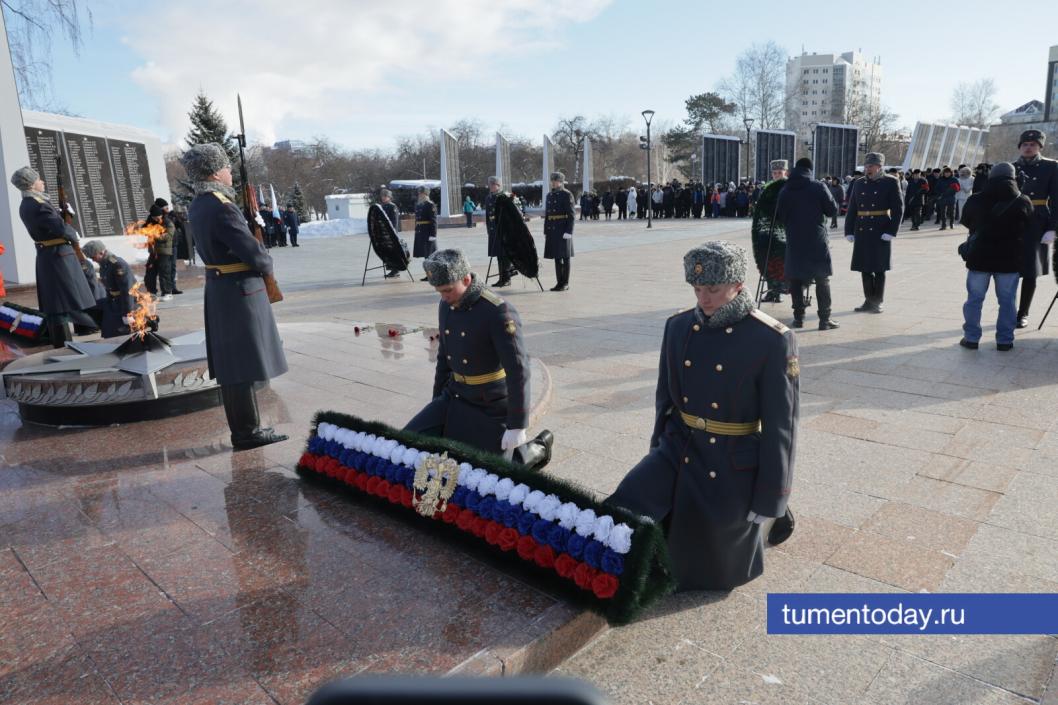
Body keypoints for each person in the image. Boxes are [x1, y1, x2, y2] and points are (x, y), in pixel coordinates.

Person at [607, 241, 798, 591]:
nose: (704, 299)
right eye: (697, 289)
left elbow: (781, 426)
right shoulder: (678, 326)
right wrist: (657, 450)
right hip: (679, 444)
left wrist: (772, 496)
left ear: (739, 285)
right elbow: (665, 397)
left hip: (730, 456)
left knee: (708, 567)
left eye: (713, 289)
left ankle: (775, 519)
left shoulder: (770, 339)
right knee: (621, 511)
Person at [181, 143, 288, 451]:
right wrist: (265, 258)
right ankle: (247, 432)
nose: (230, 172)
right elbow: (255, 256)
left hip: (221, 288)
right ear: (215, 172)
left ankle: (245, 428)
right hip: (240, 289)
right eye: (226, 167)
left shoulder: (200, 203)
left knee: (233, 366)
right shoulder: (222, 206)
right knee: (241, 365)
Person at [404, 249, 553, 466]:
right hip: (455, 395)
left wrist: (517, 425)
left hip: (490, 405)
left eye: (447, 290)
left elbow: (518, 370)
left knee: (488, 476)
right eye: (439, 291)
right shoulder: (446, 305)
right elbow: (445, 358)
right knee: (405, 444)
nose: (443, 296)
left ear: (465, 279)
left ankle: (536, 448)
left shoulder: (497, 312)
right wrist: (436, 400)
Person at [10, 166, 97, 347]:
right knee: (65, 302)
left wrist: (64, 213)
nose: (42, 182)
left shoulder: (30, 203)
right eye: (38, 179)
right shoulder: (37, 205)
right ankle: (91, 328)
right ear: (31, 184)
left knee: (58, 303)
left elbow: (53, 222)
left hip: (51, 256)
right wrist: (74, 234)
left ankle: (64, 341)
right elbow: (59, 228)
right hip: (58, 257)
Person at [958, 163, 1034, 352]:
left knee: (974, 299)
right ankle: (1005, 341)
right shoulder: (1022, 200)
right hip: (1009, 259)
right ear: (1013, 178)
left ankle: (971, 338)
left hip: (979, 258)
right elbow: (1029, 228)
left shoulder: (976, 199)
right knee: (1007, 301)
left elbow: (966, 221)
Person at [775, 157, 839, 330]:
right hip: (816, 240)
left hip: (794, 240)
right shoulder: (818, 186)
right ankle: (824, 320)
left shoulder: (785, 189)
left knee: (795, 279)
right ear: (810, 170)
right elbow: (832, 210)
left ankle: (798, 318)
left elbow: (780, 216)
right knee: (822, 279)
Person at [846, 153, 903, 313]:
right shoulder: (859, 183)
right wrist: (848, 230)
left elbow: (898, 209)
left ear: (879, 166)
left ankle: (877, 301)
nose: (867, 169)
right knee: (864, 267)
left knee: (879, 268)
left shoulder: (891, 182)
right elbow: (852, 208)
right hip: (862, 229)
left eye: (870, 166)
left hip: (880, 229)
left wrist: (891, 231)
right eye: (866, 166)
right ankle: (868, 300)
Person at [1012, 129, 1058, 328]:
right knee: (1009, 269)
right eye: (1025, 144)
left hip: (1037, 221)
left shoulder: (1051, 167)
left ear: (1040, 147)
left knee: (1031, 270)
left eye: (1033, 145)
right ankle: (1008, 309)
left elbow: (1056, 199)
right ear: (1020, 146)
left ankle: (1023, 312)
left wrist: (1053, 227)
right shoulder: (1010, 168)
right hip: (1012, 222)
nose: (1028, 148)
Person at [750, 160, 790, 303]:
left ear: (786, 172)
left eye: (780, 172)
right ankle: (773, 292)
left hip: (784, 232)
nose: (777, 175)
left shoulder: (789, 187)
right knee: (769, 261)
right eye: (774, 173)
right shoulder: (767, 187)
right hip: (768, 232)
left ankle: (782, 290)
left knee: (782, 262)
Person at [82, 240, 137, 338]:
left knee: (113, 334)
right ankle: (105, 325)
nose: (93, 260)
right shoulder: (105, 264)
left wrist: (127, 314)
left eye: (93, 257)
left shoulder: (117, 264)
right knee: (90, 308)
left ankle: (147, 320)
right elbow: (109, 287)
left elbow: (128, 291)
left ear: (101, 253)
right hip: (114, 300)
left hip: (126, 302)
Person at [543, 171, 575, 292]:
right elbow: (548, 214)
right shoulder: (549, 195)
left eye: (555, 181)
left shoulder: (566, 194)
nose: (553, 183)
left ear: (561, 182)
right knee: (557, 257)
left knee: (565, 257)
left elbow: (571, 215)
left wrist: (569, 231)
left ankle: (565, 282)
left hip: (562, 229)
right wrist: (546, 229)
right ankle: (559, 282)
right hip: (552, 229)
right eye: (552, 181)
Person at [484, 176, 517, 287]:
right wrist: (489, 229)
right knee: (499, 255)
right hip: (494, 229)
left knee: (505, 256)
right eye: (490, 184)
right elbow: (488, 216)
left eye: (493, 185)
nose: (491, 187)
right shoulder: (489, 198)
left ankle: (507, 278)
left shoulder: (504, 196)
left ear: (498, 186)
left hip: (504, 229)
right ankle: (502, 278)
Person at [154, 198, 185, 294]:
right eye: (165, 207)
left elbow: (181, 227)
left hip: (173, 245)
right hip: (164, 247)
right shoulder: (157, 218)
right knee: (165, 269)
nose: (167, 208)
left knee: (173, 267)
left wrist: (177, 218)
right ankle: (166, 290)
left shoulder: (170, 216)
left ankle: (173, 287)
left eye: (167, 207)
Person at [413, 185, 438, 281]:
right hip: (421, 232)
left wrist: (433, 235)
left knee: (430, 255)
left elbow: (433, 221)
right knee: (425, 255)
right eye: (419, 193)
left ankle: (433, 275)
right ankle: (429, 275)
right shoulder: (419, 205)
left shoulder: (430, 205)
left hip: (427, 233)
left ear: (426, 194)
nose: (420, 195)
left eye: (422, 193)